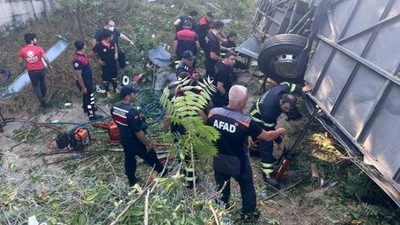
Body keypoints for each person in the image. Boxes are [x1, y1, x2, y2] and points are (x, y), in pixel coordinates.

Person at [206, 85, 286, 221]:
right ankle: (248, 215)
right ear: (241, 103)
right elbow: (266, 137)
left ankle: (220, 212)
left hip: (219, 161)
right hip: (239, 164)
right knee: (247, 187)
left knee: (221, 188)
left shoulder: (213, 113)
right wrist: (279, 132)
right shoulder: (246, 122)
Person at [249, 82, 311, 188]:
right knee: (266, 143)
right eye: (285, 108)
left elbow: (289, 84)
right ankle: (267, 174)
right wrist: (279, 141)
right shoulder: (270, 110)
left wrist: (301, 90)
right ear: (281, 101)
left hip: (260, 112)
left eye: (289, 109)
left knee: (259, 139)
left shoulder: (282, 89)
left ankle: (254, 151)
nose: (286, 111)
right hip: (256, 120)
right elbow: (269, 132)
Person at [111, 85, 167, 186]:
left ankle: (131, 179)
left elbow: (118, 122)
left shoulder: (114, 107)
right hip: (135, 141)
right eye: (134, 94)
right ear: (127, 97)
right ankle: (162, 171)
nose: (136, 95)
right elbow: (138, 132)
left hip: (124, 139)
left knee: (129, 159)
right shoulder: (131, 112)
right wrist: (147, 144)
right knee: (151, 155)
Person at [163, 71, 205, 189]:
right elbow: (202, 116)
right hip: (191, 133)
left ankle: (187, 179)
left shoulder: (173, 97)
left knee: (182, 155)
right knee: (191, 156)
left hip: (177, 133)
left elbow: (167, 118)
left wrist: (165, 130)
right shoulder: (193, 96)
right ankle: (191, 179)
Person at [72, 40, 103, 121]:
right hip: (84, 81)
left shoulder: (81, 54)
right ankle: (92, 115)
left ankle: (86, 108)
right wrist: (83, 87)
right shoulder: (77, 60)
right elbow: (78, 75)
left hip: (87, 79)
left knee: (87, 96)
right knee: (88, 97)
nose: (86, 46)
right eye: (85, 45)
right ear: (83, 46)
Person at [18, 33, 52, 107]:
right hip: (41, 69)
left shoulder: (22, 50)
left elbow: (20, 62)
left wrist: (22, 68)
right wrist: (49, 65)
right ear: (32, 40)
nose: (36, 40)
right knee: (42, 82)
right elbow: (45, 58)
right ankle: (43, 95)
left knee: (36, 86)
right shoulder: (39, 48)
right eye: (35, 39)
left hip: (32, 71)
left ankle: (41, 100)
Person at [91, 31, 118, 98]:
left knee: (114, 77)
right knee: (106, 78)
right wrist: (98, 61)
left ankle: (115, 89)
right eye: (111, 36)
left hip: (113, 63)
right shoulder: (99, 45)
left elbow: (115, 46)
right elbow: (92, 54)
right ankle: (107, 91)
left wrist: (116, 53)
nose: (112, 37)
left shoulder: (112, 42)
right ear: (108, 37)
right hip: (105, 64)